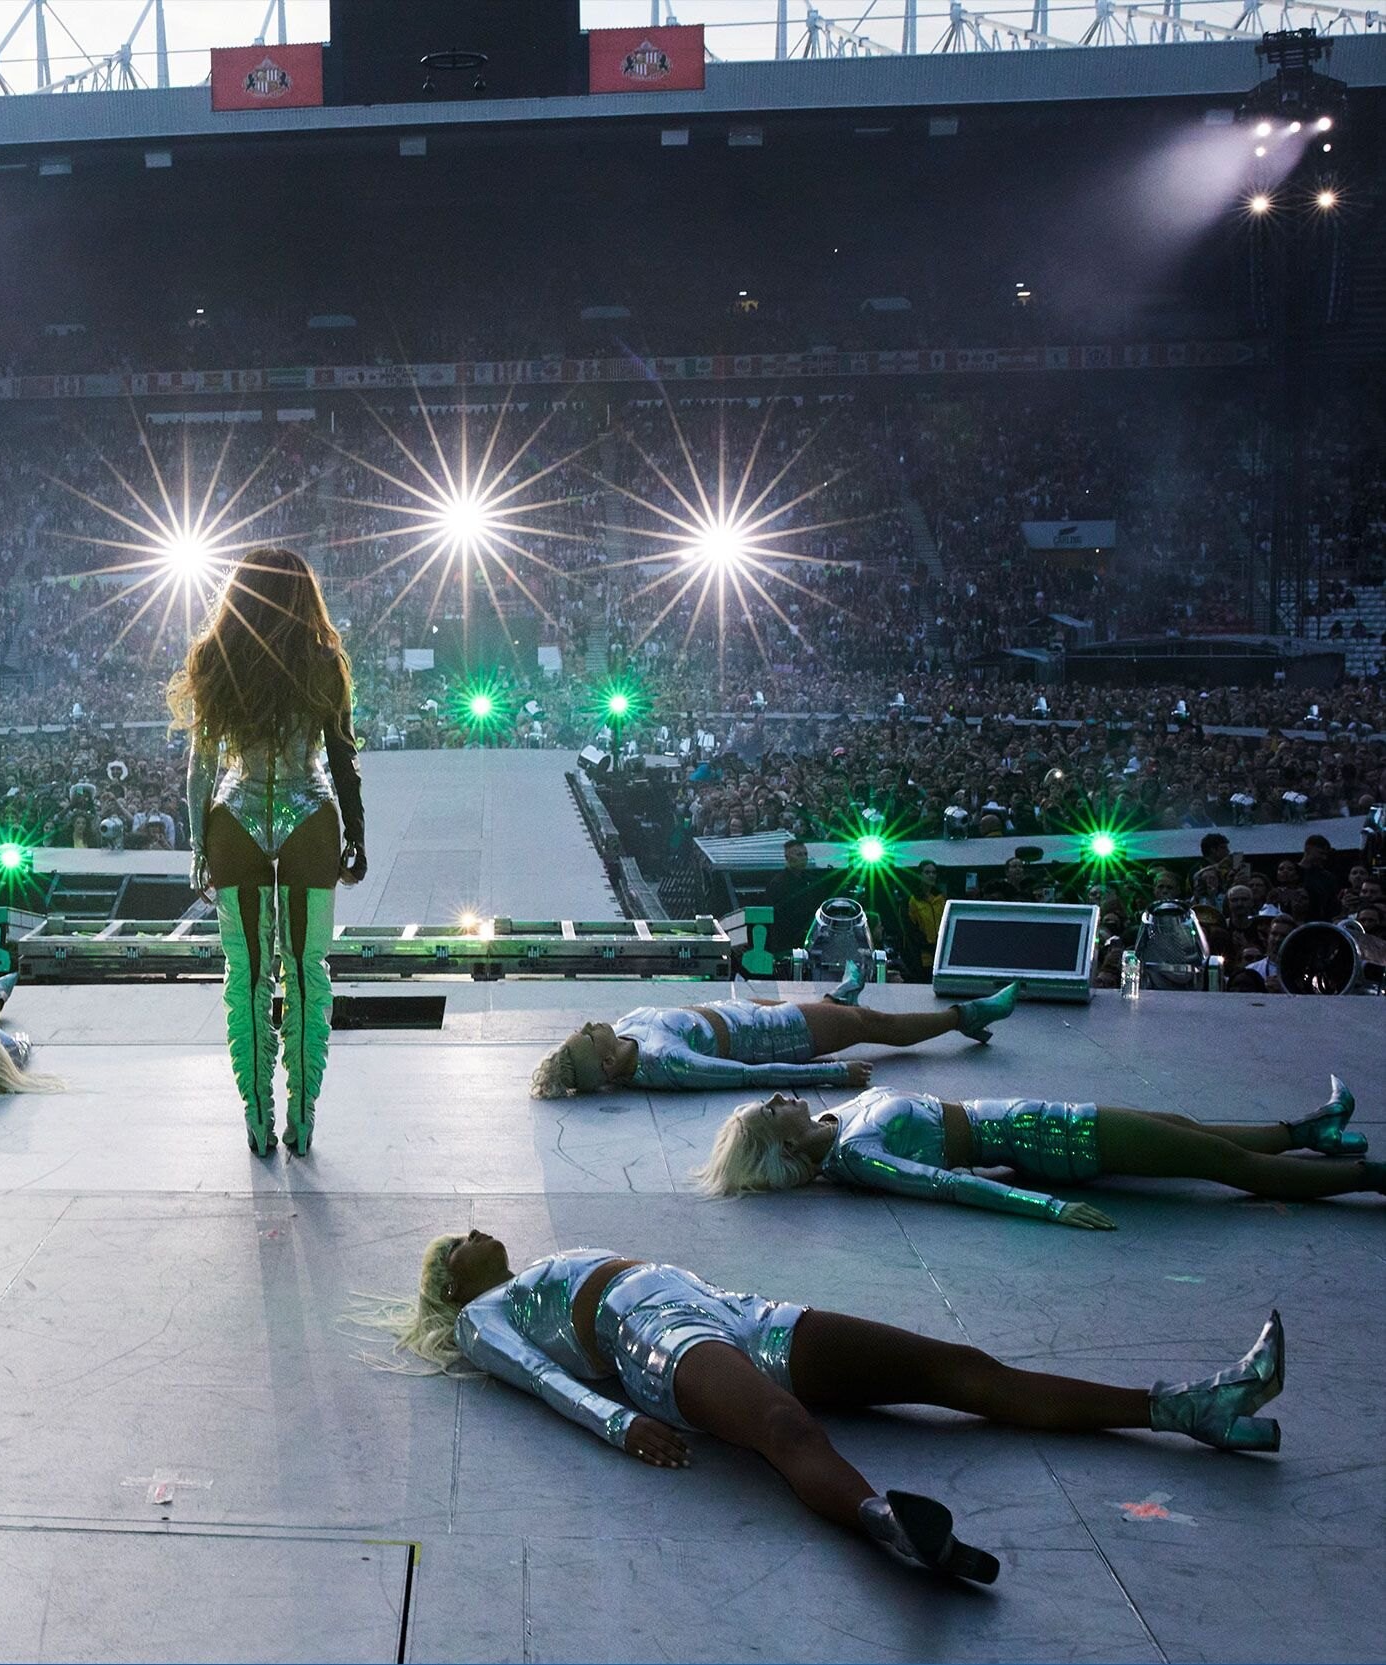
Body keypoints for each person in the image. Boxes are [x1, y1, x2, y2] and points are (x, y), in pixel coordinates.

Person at [359, 1229, 1288, 1582]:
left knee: (952, 1366)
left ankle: (1184, 1406)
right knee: (782, 1428)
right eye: (455, 1243)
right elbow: (544, 1379)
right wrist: (618, 1422)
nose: (474, 1231)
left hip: (738, 1310)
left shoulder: (533, 1263)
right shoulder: (483, 1317)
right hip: (656, 1341)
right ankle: (883, 1521)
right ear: (450, 1279)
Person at [168, 548, 367, 1157]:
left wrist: (198, 844)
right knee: (308, 974)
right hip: (310, 812)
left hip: (236, 815)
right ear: (304, 593)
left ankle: (257, 1120)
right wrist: (356, 833)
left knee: (248, 975)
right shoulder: (324, 661)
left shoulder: (215, 657)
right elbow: (342, 756)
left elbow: (201, 764)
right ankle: (302, 1121)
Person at [695, 1077, 1379, 1225]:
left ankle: (1308, 1131)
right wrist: (1050, 1206)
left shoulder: (838, 1117)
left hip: (1035, 1116)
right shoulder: (859, 1155)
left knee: (1185, 1127)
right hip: (1054, 1140)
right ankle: (1367, 1176)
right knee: (1227, 1166)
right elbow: (954, 1186)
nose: (780, 1097)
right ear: (785, 1141)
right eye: (771, 1109)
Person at [531, 974, 1019, 1097]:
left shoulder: (627, 1026)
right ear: (608, 1064)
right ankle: (965, 1016)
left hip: (746, 1011)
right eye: (587, 1037)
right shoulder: (668, 1064)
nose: (589, 1026)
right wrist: (833, 1074)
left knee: (842, 1013)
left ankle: (836, 997)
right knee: (873, 1024)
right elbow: (752, 1076)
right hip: (781, 1034)